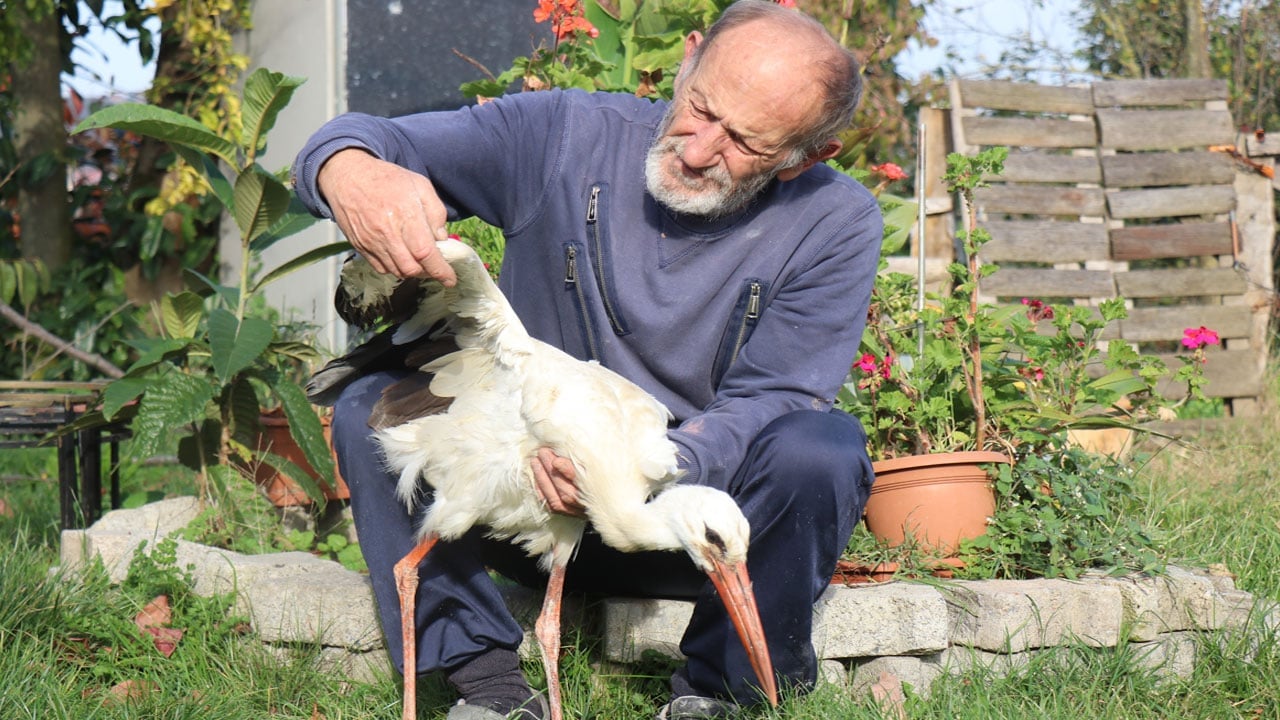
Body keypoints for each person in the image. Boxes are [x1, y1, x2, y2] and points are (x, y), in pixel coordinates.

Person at [292, 2, 880, 718]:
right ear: (688, 57)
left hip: (678, 527)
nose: (697, 151)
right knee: (368, 405)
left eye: (746, 144)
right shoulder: (563, 136)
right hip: (519, 505)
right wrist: (351, 175)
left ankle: (720, 697)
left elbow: (778, 397)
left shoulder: (836, 223)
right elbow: (359, 140)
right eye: (700, 108)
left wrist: (637, 467)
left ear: (805, 158)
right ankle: (489, 691)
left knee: (820, 448)